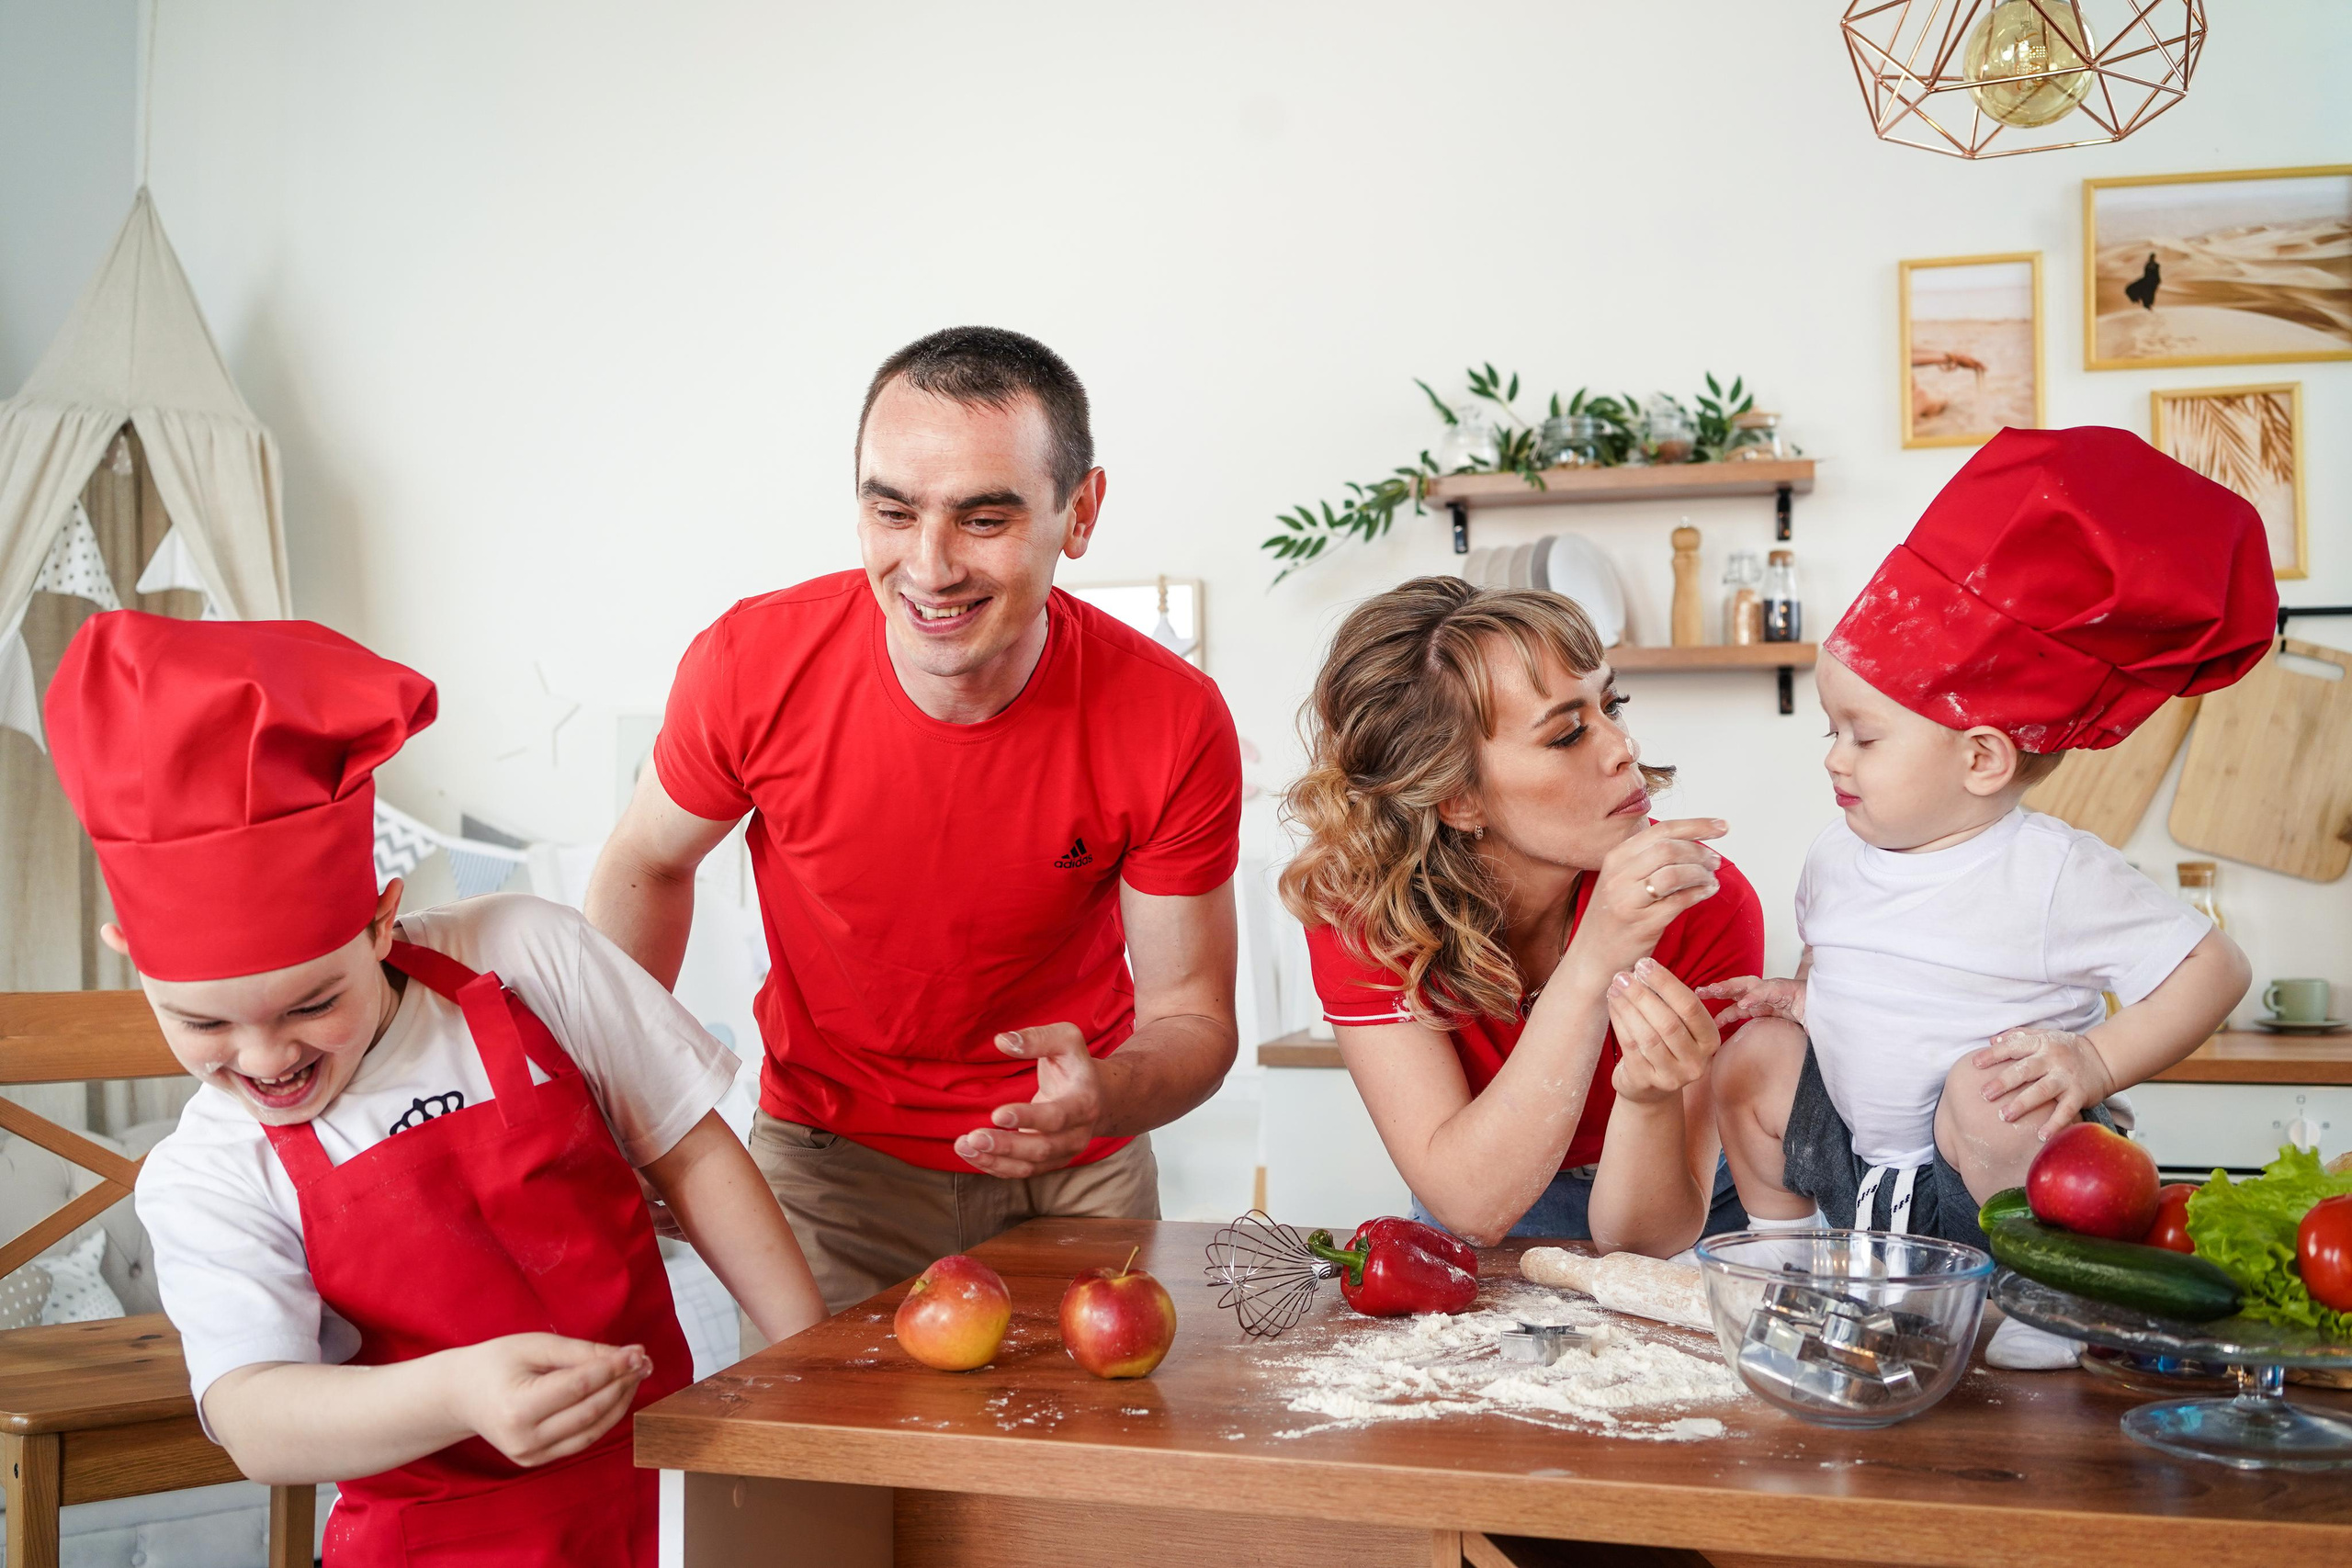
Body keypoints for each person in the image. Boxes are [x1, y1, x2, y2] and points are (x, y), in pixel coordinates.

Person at [45, 612, 826, 1568]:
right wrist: (457, 1395)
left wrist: (810, 1374)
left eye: (311, 1004)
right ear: (134, 966)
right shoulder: (209, 1172)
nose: (261, 1059)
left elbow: (691, 1150)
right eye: (203, 1024)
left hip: (667, 1497)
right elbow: (255, 1414)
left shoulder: (522, 952)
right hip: (430, 1545)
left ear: (379, 920)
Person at [587, 326, 1242, 1314]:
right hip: (829, 1163)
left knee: (1078, 1466)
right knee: (812, 1462)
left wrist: (1104, 1095)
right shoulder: (748, 666)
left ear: (1081, 511)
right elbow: (648, 859)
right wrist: (618, 1104)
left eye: (983, 518)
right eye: (891, 511)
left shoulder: (1172, 717)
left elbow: (1192, 1016)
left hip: (1078, 1166)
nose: (928, 568)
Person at [1702, 426, 2270, 1369]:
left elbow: (2217, 968)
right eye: (1830, 729)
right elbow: (1847, 962)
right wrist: (1807, 1002)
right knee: (1755, 1055)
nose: (1833, 758)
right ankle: (1783, 1257)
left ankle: (2037, 1301)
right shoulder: (1836, 854)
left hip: (1999, 1179)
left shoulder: (2050, 872)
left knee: (1988, 1090)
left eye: (1863, 736)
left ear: (1979, 758)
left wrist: (2092, 1059)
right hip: (1861, 1167)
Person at [1279, 579, 1777, 1255]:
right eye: (1568, 734)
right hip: (1487, 1184)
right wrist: (1593, 962)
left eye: (1612, 705)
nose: (1622, 747)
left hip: (1685, 1209)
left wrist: (1649, 1097)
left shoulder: (1703, 904)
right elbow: (1473, 1204)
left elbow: (1648, 1237)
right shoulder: (1365, 911)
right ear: (1456, 798)